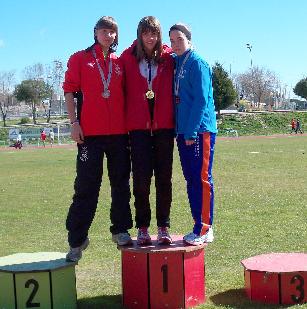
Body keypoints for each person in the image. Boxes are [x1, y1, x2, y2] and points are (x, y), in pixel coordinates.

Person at [63, 16, 133, 262]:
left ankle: (121, 229)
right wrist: (74, 123)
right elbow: (70, 92)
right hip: (89, 135)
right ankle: (77, 239)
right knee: (86, 186)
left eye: (113, 31)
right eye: (104, 31)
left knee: (121, 184)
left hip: (119, 134)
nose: (108, 35)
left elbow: (146, 46)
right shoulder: (80, 59)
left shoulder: (121, 61)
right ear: (95, 33)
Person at [121, 16, 174, 245]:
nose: (150, 37)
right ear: (139, 35)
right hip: (138, 128)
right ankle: (142, 227)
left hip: (164, 127)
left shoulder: (169, 58)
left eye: (153, 33)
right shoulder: (127, 58)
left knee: (164, 179)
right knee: (141, 180)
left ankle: (163, 226)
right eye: (145, 33)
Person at [169, 23, 218, 245]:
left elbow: (201, 100)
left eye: (179, 39)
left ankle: (206, 228)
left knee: (201, 179)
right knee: (191, 180)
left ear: (189, 39)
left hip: (199, 131)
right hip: (183, 132)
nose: (175, 44)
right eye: (171, 40)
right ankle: (198, 225)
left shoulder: (198, 63)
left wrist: (190, 130)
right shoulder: (176, 63)